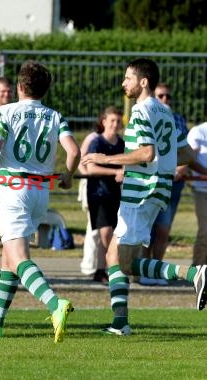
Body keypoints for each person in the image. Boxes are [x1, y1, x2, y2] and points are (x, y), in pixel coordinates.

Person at [82, 58, 207, 336]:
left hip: (140, 192)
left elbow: (146, 153)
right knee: (117, 256)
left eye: (127, 78)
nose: (123, 83)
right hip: (158, 189)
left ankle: (193, 274)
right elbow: (186, 154)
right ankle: (120, 323)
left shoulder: (140, 111)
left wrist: (108, 158)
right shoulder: (166, 112)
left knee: (120, 260)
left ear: (143, 82)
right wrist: (167, 165)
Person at [0, 60, 80, 343]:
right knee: (9, 259)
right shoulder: (55, 116)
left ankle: (55, 304)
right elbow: (73, 150)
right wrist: (67, 175)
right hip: (40, 193)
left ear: (19, 86)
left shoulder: (4, 112)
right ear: (45, 89)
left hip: (14, 189)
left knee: (19, 258)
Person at [140, 83, 189, 285]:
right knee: (146, 230)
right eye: (161, 95)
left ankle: (157, 270)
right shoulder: (144, 115)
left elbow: (186, 152)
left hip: (170, 183)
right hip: (149, 182)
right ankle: (143, 270)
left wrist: (178, 168)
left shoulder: (176, 119)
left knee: (163, 229)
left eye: (168, 96)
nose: (165, 100)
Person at [84, 106, 125, 285]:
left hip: (115, 194)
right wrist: (114, 172)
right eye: (112, 121)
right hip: (99, 193)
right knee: (105, 233)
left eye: (118, 121)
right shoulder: (97, 142)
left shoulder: (121, 143)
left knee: (112, 234)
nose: (115, 124)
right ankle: (107, 269)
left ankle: (104, 270)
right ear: (104, 122)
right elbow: (91, 168)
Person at [77, 118, 104, 281]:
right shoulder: (93, 137)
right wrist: (88, 174)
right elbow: (80, 159)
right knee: (93, 227)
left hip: (107, 187)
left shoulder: (116, 140)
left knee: (105, 229)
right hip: (92, 185)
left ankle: (101, 264)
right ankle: (89, 264)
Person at [187, 122, 207, 266]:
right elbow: (190, 160)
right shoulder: (198, 131)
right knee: (205, 233)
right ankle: (197, 271)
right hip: (203, 190)